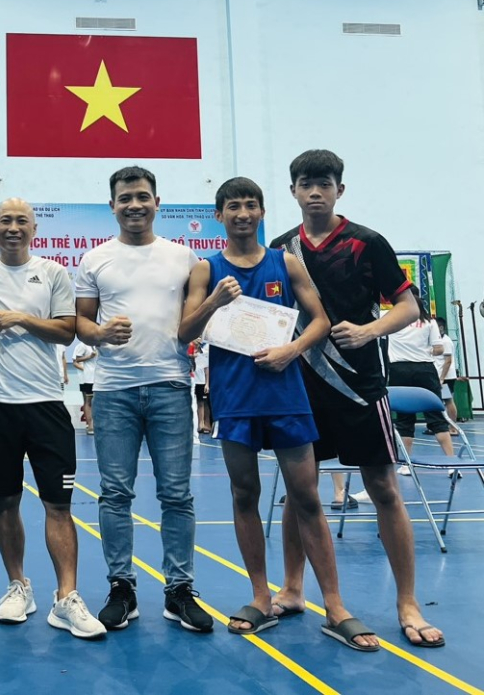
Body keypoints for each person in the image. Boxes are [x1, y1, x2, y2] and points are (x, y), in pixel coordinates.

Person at [180, 177, 378, 650]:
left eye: (251, 205)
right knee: (244, 494)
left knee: (306, 497)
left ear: (262, 211)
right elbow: (184, 330)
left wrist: (292, 350)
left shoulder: (284, 262)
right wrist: (215, 302)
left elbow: (321, 320)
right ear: (219, 215)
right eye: (233, 206)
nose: (243, 213)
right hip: (235, 398)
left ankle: (335, 606)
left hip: (286, 395)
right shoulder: (206, 270)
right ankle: (259, 597)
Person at [269, 149, 444, 648]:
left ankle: (407, 602)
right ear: (293, 191)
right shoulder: (281, 248)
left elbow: (408, 306)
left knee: (384, 487)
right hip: (300, 387)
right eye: (306, 184)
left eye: (324, 183)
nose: (315, 192)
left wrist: (370, 330)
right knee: (298, 491)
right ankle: (293, 588)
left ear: (339, 190)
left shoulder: (367, 243)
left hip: (361, 388)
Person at [0, 198, 104, 639]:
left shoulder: (53, 273)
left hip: (46, 406)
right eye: (5, 220)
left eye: (22, 220)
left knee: (58, 505)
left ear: (34, 229)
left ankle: (66, 597)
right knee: (6, 502)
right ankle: (18, 586)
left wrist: (20, 318)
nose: (14, 227)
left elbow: (67, 331)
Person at [75, 166, 214, 633]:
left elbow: (192, 322)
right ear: (112, 205)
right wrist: (100, 334)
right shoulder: (95, 259)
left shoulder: (183, 257)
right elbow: (82, 324)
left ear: (157, 202)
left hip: (171, 387)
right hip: (114, 391)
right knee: (115, 494)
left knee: (176, 494)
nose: (134, 204)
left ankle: (179, 591)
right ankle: (122, 588)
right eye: (125, 198)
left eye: (141, 196)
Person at [387, 291, 456, 463]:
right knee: (436, 416)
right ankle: (451, 462)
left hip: (399, 369)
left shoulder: (391, 319)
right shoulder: (429, 322)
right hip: (425, 369)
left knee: (404, 419)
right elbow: (438, 349)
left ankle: (407, 463)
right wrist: (423, 350)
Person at [433, 317, 459, 432]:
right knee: (439, 401)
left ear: (441, 328)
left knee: (448, 401)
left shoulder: (446, 342)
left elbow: (448, 361)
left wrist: (442, 378)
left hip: (446, 378)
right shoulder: (438, 341)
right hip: (439, 376)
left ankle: (453, 427)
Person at [73, 341, 98, 435]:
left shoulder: (97, 344)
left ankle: (95, 424)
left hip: (97, 377)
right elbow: (76, 360)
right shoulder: (82, 345)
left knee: (96, 401)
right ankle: (90, 425)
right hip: (87, 378)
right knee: (88, 401)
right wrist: (89, 357)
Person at [190, 341, 211, 434]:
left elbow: (207, 370)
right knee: (194, 403)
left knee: (202, 403)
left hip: (201, 382)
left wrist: (207, 383)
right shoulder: (190, 354)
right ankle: (197, 424)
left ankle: (202, 424)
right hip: (192, 381)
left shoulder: (204, 354)